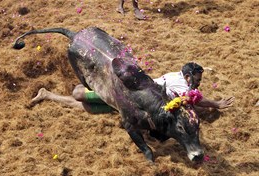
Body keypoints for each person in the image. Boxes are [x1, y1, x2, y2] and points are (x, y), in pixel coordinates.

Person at [30, 62, 234, 114]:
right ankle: (84, 86)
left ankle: (47, 95)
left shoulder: (178, 78)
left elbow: (189, 102)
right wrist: (216, 104)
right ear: (189, 76)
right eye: (197, 79)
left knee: (89, 108)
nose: (198, 83)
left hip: (135, 102)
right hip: (131, 96)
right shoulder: (181, 83)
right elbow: (196, 98)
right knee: (81, 95)